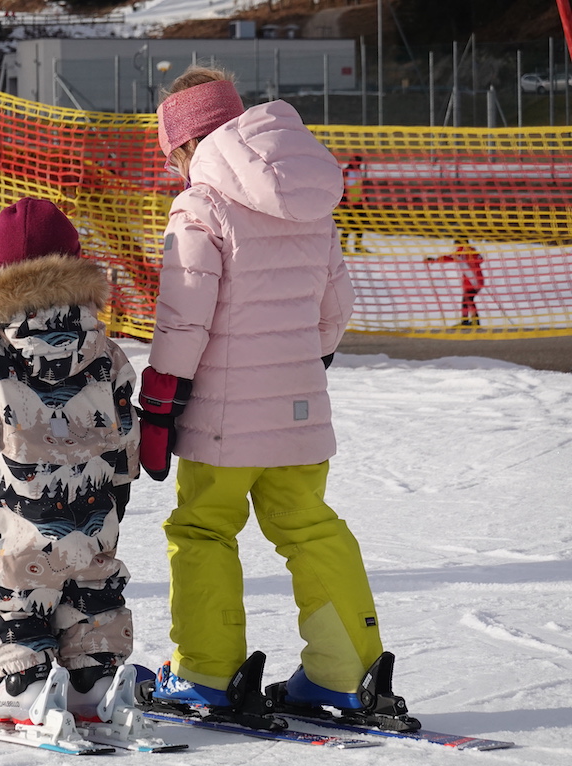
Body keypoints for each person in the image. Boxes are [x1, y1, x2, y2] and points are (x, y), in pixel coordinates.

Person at [140, 66, 413, 726]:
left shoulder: (200, 205)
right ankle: (347, 673)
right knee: (311, 527)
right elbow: (334, 308)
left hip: (223, 425)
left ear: (185, 142)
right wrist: (299, 369)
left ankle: (206, 671)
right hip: (300, 416)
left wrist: (158, 401)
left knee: (203, 527)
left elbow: (184, 320)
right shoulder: (311, 199)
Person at [0, 197, 141, 725]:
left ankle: (25, 684)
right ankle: (92, 680)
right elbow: (124, 410)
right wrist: (122, 476)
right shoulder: (101, 344)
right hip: (93, 509)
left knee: (11, 593)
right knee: (91, 590)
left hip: (12, 516)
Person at [426, 237, 485, 327]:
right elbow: (480, 259)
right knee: (466, 300)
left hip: (473, 280)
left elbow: (449, 258)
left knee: (468, 300)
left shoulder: (463, 251)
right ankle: (467, 321)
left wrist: (435, 260)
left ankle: (473, 321)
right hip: (475, 280)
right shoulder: (469, 251)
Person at [339, 154, 367, 254]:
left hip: (358, 202)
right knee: (349, 225)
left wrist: (363, 198)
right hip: (349, 203)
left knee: (362, 223)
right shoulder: (347, 172)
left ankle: (358, 246)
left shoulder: (358, 172)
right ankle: (342, 246)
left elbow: (359, 186)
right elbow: (345, 186)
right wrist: (347, 200)